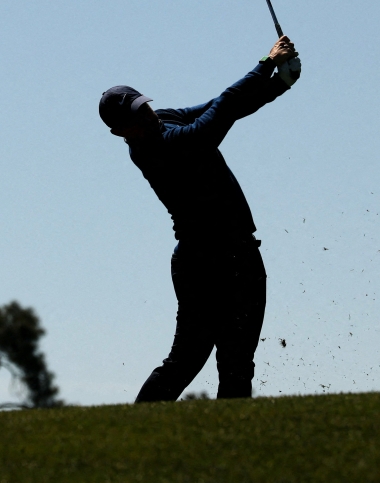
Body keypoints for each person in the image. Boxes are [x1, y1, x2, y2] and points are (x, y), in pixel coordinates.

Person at [99, 37, 300, 401]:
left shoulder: (162, 121)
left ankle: (230, 446)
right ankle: (134, 435)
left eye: (144, 106)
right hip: (203, 261)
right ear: (120, 133)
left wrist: (278, 85)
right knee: (187, 360)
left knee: (238, 362)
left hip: (239, 251)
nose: (146, 115)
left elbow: (225, 106)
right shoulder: (156, 148)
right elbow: (216, 117)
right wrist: (266, 63)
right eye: (135, 117)